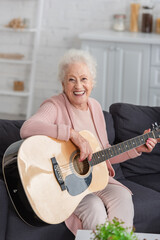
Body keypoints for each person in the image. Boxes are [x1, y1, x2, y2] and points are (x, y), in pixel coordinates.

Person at [20, 49, 157, 235]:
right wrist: (71, 134)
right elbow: (27, 128)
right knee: (94, 207)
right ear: (63, 83)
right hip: (66, 187)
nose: (78, 86)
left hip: (96, 181)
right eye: (71, 79)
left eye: (84, 79)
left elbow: (104, 152)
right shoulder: (54, 105)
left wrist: (136, 148)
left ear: (92, 83)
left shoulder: (95, 107)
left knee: (123, 195)